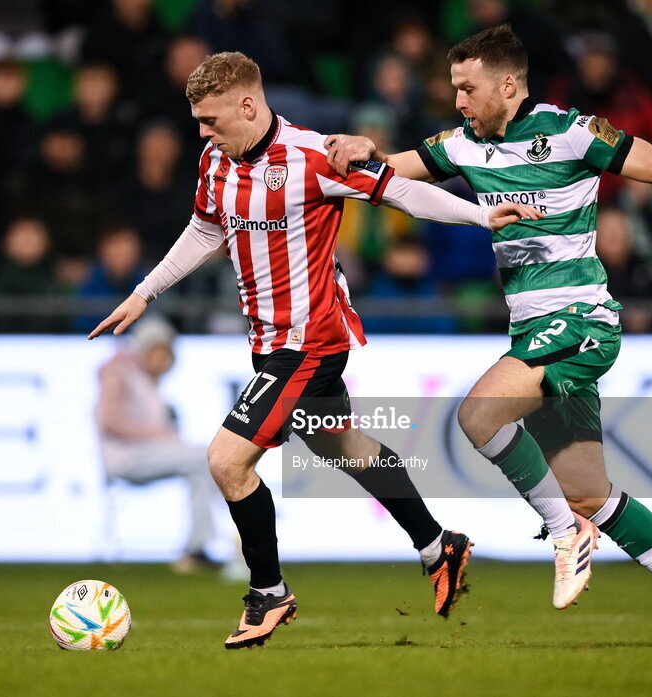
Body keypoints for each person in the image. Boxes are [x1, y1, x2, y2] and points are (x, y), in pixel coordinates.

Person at [89, 51, 536, 649]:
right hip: (268, 343)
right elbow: (205, 228)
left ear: (249, 104)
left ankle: (268, 593)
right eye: (197, 121)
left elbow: (402, 193)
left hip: (310, 342)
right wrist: (145, 292)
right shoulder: (214, 160)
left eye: (211, 119)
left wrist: (482, 217)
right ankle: (439, 546)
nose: (201, 132)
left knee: (226, 461)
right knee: (344, 445)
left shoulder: (312, 157)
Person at [324, 24, 652, 649]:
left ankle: (562, 530)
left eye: (468, 88)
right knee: (591, 494)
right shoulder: (460, 145)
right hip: (536, 333)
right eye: (454, 88)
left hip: (579, 322)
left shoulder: (572, 132)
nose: (458, 100)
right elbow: (386, 173)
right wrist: (362, 147)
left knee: (479, 416)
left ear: (509, 84)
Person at [95, 316, 221, 571]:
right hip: (127, 458)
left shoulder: (144, 379)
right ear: (145, 348)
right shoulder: (118, 373)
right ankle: (235, 526)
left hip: (145, 454)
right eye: (159, 351)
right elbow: (108, 421)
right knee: (204, 457)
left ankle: (199, 547)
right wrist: (161, 434)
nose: (164, 359)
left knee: (203, 465)